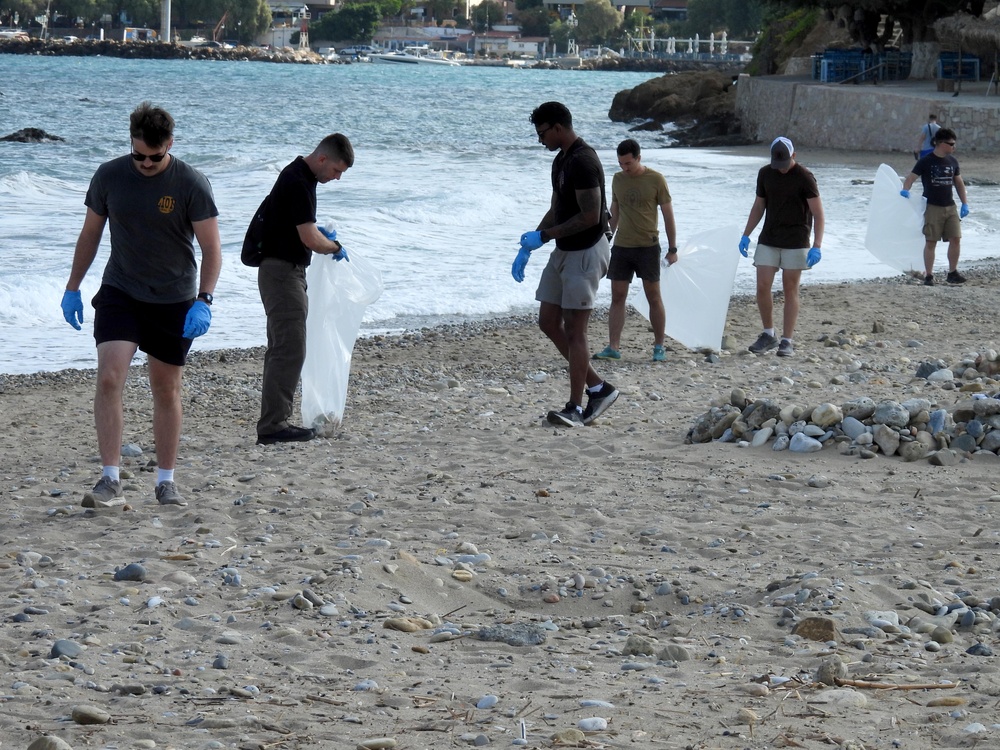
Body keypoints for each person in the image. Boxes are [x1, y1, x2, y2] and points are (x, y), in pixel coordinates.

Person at [60, 101, 221, 508]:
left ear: (170, 144)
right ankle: (110, 478)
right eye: (138, 155)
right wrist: (73, 287)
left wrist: (204, 300)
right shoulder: (110, 176)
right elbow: (91, 235)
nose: (146, 163)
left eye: (155, 156)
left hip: (173, 298)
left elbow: (212, 248)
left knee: (165, 389)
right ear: (130, 144)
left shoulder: (191, 183)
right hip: (121, 291)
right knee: (110, 377)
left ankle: (165, 482)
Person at [511, 101, 618, 427]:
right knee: (548, 320)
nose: (540, 139)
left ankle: (575, 406)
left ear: (558, 127)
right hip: (565, 251)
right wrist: (534, 239)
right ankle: (598, 387)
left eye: (542, 133)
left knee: (575, 331)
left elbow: (589, 216)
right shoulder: (561, 161)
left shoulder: (583, 161)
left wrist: (544, 236)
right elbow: (558, 206)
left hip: (587, 252)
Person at [255, 134, 353, 445]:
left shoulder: (299, 177)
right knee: (290, 346)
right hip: (282, 272)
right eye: (337, 171)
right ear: (323, 159)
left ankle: (274, 421)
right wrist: (333, 246)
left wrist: (319, 237)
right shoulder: (298, 179)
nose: (336, 178)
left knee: (283, 346)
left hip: (283, 270)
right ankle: (273, 425)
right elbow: (310, 237)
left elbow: (299, 226)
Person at [738, 136, 824, 359]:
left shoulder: (805, 177)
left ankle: (787, 340)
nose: (782, 169)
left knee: (789, 288)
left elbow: (818, 213)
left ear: (793, 156)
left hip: (796, 240)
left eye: (785, 164)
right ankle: (768, 334)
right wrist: (746, 234)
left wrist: (817, 245)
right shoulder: (765, 173)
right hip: (769, 238)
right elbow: (759, 206)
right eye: (778, 165)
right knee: (762, 285)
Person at [593, 138, 678, 363]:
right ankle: (613, 347)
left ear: (639, 158)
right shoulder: (617, 180)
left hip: (648, 246)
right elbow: (615, 210)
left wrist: (672, 248)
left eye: (628, 163)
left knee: (653, 296)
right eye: (621, 163)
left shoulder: (656, 179)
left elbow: (668, 215)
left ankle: (659, 346)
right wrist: (605, 239)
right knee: (617, 296)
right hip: (622, 246)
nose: (624, 168)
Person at [900, 127, 969, 286]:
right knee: (931, 242)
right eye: (951, 144)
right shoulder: (926, 161)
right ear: (940, 143)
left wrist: (965, 203)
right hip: (932, 207)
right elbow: (911, 178)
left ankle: (952, 272)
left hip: (950, 207)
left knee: (956, 239)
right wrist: (905, 190)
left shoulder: (952, 161)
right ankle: (929, 275)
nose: (954, 147)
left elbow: (958, 182)